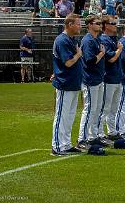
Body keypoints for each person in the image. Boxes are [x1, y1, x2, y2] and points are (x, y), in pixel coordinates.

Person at [51, 14, 83, 156]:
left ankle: (66, 144)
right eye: (78, 24)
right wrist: (78, 54)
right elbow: (68, 62)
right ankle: (57, 146)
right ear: (69, 24)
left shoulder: (71, 39)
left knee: (69, 116)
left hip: (73, 83)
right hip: (65, 83)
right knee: (62, 115)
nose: (80, 26)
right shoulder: (62, 40)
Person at [77, 15, 106, 150]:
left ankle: (93, 136)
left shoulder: (97, 39)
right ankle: (82, 138)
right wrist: (101, 54)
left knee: (97, 110)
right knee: (89, 110)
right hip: (90, 80)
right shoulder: (88, 40)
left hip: (98, 79)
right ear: (89, 25)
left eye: (100, 23)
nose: (100, 25)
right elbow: (89, 60)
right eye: (97, 23)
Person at [98, 16, 124, 141]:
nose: (115, 25)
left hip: (117, 77)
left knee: (114, 108)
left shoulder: (113, 39)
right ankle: (100, 133)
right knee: (105, 107)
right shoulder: (104, 39)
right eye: (112, 23)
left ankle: (112, 131)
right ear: (106, 25)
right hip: (108, 78)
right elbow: (111, 58)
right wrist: (119, 50)